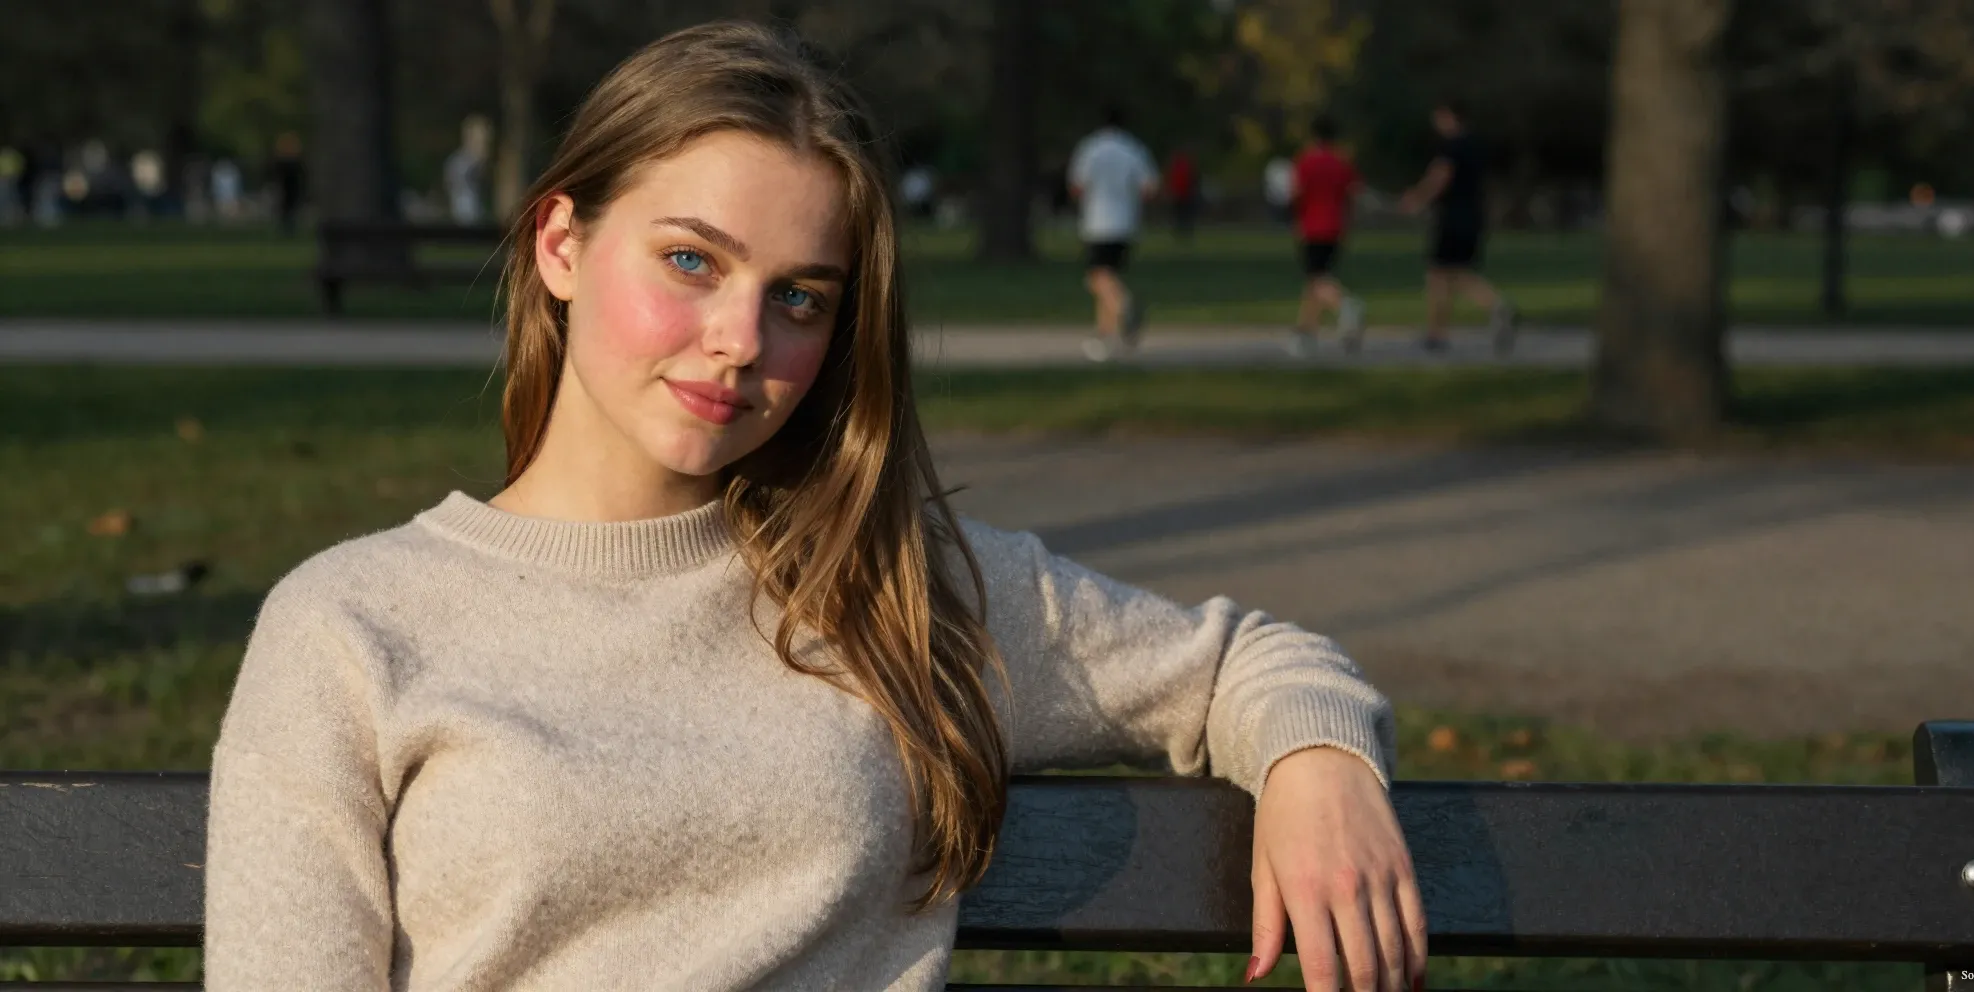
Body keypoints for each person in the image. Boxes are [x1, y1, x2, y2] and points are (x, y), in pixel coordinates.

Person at [203, 22, 1423, 992]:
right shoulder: (352, 623)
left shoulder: (891, 586)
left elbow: (1242, 665)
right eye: (691, 261)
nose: (740, 340)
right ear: (560, 245)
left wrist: (1320, 759)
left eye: (801, 296)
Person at [1400, 99, 1517, 354]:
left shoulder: (1451, 146)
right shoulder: (1477, 145)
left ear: (1449, 116)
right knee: (1456, 272)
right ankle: (1496, 305)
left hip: (1451, 216)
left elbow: (1440, 176)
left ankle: (1437, 333)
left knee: (1437, 274)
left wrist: (1418, 199)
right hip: (1474, 214)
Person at [1068, 106, 1158, 362]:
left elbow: (1077, 185)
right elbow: (1150, 186)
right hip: (1126, 222)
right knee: (1109, 276)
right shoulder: (1134, 148)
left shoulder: (1091, 148)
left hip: (1098, 221)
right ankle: (1104, 337)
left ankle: (1124, 305)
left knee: (1098, 278)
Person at [1287, 116, 1366, 357]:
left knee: (1317, 279)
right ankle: (1305, 336)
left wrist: (1295, 218)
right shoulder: (1342, 162)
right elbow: (1354, 194)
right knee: (1316, 282)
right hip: (1336, 226)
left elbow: (1296, 193)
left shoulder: (1306, 161)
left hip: (1313, 226)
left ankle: (1345, 305)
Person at [270, 132, 306, 236]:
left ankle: (288, 229)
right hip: (287, 189)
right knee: (286, 210)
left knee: (288, 210)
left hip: (290, 189)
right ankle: (286, 228)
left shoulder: (290, 164)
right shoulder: (288, 164)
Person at [1165, 145, 1200, 243]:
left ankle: (1183, 233)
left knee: (1182, 215)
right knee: (1183, 215)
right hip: (1182, 194)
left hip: (1183, 194)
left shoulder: (1178, 166)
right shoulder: (1183, 166)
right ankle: (1183, 234)